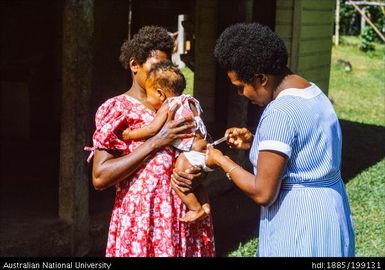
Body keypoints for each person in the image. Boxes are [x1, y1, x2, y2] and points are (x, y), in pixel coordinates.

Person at [203, 23, 355, 257]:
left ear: (262, 78)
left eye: (241, 86)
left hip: (299, 223)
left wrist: (222, 161)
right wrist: (257, 143)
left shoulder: (279, 112)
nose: (240, 94)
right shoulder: (313, 92)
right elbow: (305, 152)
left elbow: (263, 192)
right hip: (330, 214)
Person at [85, 26, 215, 257]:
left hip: (183, 216)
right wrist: (156, 141)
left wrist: (198, 173)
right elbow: (100, 177)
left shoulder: (177, 106)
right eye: (156, 67)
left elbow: (200, 148)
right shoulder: (117, 109)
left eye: (168, 67)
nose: (163, 73)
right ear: (134, 65)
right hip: (143, 220)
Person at [121, 60, 212, 223]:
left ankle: (196, 208)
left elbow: (152, 129)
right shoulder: (190, 101)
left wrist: (130, 135)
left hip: (189, 154)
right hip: (204, 150)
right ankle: (205, 205)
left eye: (149, 95)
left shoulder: (169, 104)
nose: (148, 101)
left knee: (178, 181)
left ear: (160, 93)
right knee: (196, 181)